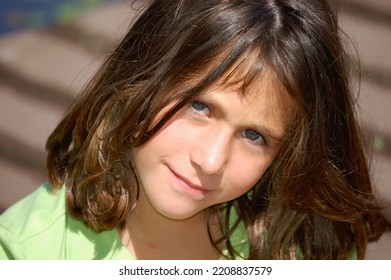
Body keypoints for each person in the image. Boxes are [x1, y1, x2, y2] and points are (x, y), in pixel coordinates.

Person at [0, 0, 388, 260]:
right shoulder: (25, 252)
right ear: (140, 77)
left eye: (255, 136)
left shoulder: (301, 245)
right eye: (199, 106)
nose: (211, 160)